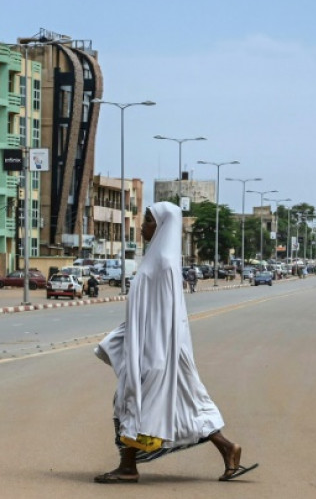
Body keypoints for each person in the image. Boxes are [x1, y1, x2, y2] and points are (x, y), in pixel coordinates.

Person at [93, 202, 257, 484]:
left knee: (131, 402)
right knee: (185, 407)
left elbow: (165, 316)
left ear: (161, 225)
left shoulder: (164, 264)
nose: (142, 227)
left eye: (147, 221)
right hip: (157, 349)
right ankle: (228, 448)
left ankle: (128, 467)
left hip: (158, 352)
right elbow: (148, 313)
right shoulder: (157, 259)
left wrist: (154, 357)